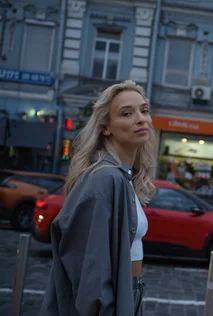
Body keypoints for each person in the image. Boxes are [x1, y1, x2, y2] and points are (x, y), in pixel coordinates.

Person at [40, 80, 156, 316]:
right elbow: (91, 273)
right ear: (106, 127)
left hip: (128, 293)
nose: (141, 118)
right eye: (127, 113)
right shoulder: (104, 179)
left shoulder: (123, 176)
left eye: (144, 110)